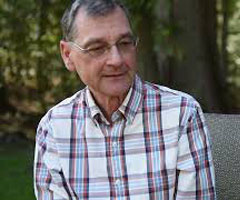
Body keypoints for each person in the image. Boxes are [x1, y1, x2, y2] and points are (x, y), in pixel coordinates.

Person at [33, 0, 216, 199]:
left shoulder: (182, 114)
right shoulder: (54, 127)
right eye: (97, 48)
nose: (117, 60)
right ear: (68, 55)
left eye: (125, 43)